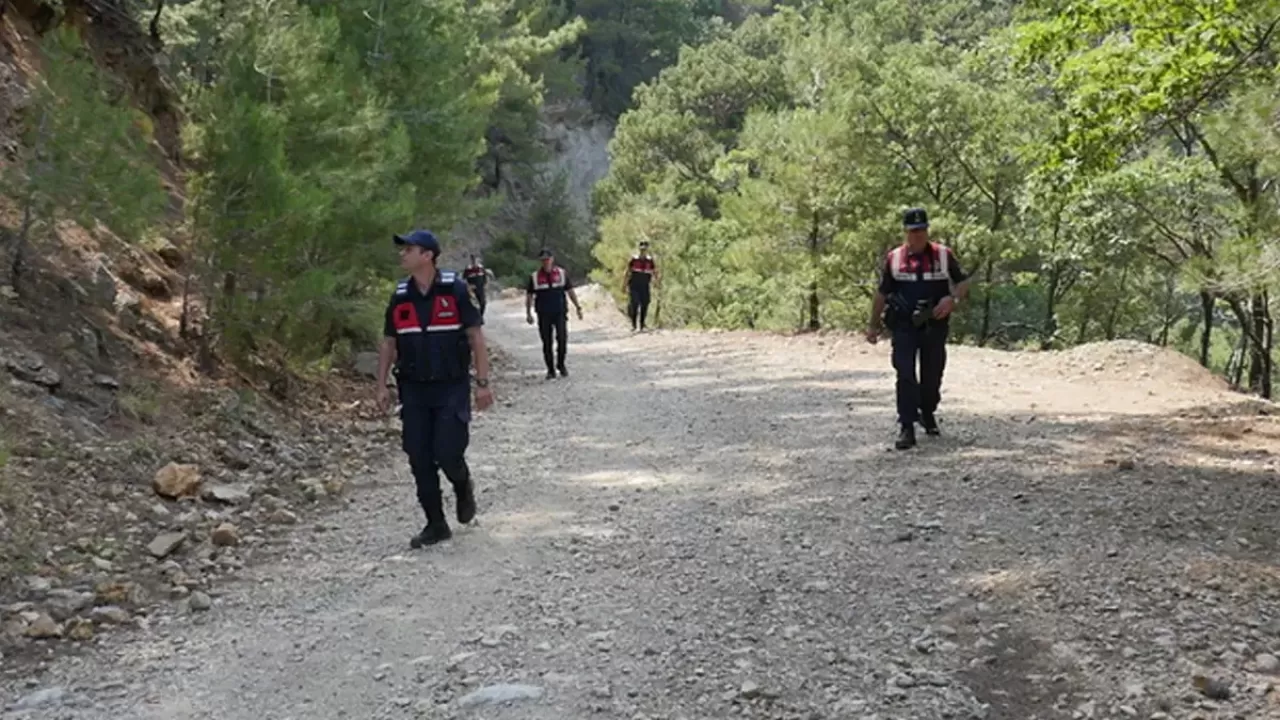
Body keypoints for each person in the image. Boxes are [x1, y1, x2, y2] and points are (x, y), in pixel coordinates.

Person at [376, 229, 495, 548]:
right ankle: (435, 523)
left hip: (451, 387)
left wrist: (482, 384)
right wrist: (381, 384)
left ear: (427, 255)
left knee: (447, 452)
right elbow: (389, 342)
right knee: (418, 455)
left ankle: (462, 483)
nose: (402, 255)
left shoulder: (455, 289)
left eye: (409, 249)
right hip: (413, 388)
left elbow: (476, 337)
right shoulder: (400, 295)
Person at [865, 207, 970, 450]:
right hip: (903, 327)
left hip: (934, 325)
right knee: (905, 374)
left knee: (932, 376)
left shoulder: (944, 255)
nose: (917, 235)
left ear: (927, 230)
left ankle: (927, 410)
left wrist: (952, 300)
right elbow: (882, 293)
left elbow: (963, 282)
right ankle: (907, 426)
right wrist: (873, 324)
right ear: (906, 232)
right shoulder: (895, 258)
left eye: (921, 230)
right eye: (913, 231)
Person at [525, 248, 583, 379]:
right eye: (543, 260)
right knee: (547, 342)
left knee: (562, 339)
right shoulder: (534, 277)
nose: (546, 262)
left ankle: (561, 364)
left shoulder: (562, 273)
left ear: (552, 259)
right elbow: (529, 295)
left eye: (547, 259)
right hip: (543, 314)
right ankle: (550, 370)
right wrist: (528, 313)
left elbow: (570, 291)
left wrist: (578, 307)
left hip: (560, 312)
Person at [622, 240, 659, 332]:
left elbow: (654, 272)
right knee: (635, 303)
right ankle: (634, 325)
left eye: (645, 249)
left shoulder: (650, 261)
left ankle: (642, 325)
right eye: (642, 249)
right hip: (634, 285)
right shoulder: (634, 259)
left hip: (645, 286)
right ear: (639, 249)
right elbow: (627, 272)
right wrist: (624, 285)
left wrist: (656, 283)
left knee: (645, 304)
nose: (643, 251)